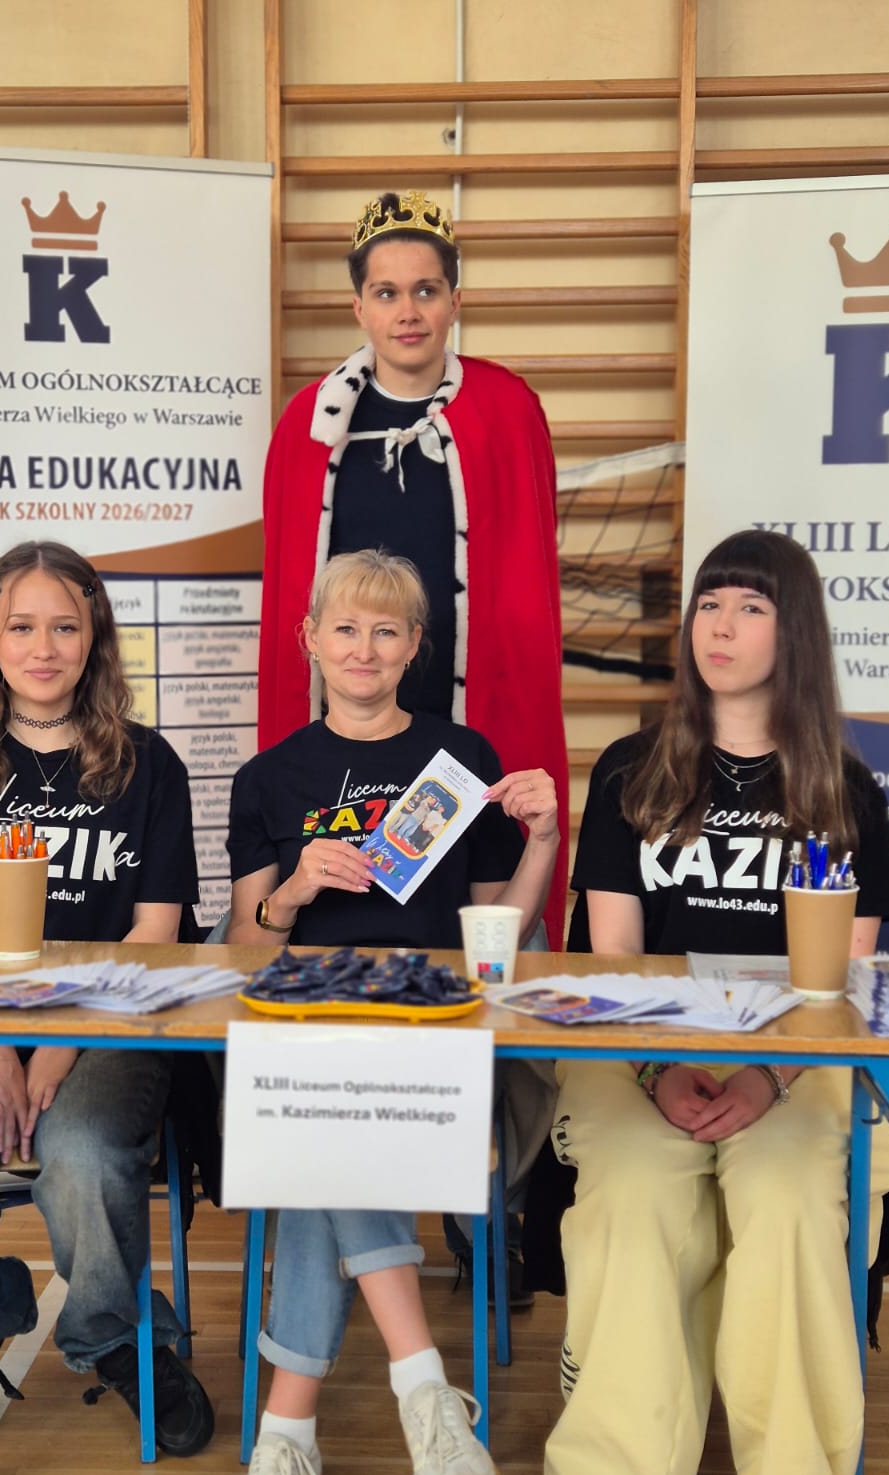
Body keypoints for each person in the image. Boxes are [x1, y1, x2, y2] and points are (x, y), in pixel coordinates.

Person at [540, 530, 889, 1475]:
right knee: (634, 1193)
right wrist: (662, 1069)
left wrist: (766, 1077)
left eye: (750, 607)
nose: (721, 627)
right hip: (642, 1051)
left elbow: (845, 980)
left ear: (795, 634)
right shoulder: (632, 769)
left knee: (788, 1199)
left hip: (795, 1061)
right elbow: (613, 956)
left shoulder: (844, 787)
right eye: (709, 605)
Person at [224, 549, 560, 1475]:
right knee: (322, 1111)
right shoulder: (267, 778)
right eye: (345, 627)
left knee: (317, 1142)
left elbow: (502, 929)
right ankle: (423, 1388)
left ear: (416, 646)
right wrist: (293, 888)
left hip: (436, 1035)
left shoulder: (461, 756)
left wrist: (545, 842)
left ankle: (286, 1435)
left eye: (386, 630)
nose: (363, 649)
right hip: (308, 1031)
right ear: (309, 640)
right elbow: (244, 948)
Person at [0, 540, 214, 1457]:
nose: (43, 648)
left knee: (84, 1146)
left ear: (94, 635)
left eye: (65, 626)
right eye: (22, 626)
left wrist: (56, 1045)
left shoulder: (150, 764)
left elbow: (155, 932)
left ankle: (112, 1336)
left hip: (106, 1026)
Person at [257, 187, 569, 944]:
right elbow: (289, 596)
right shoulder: (309, 425)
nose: (408, 312)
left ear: (455, 301)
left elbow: (528, 586)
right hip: (353, 694)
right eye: (387, 293)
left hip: (473, 701)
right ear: (358, 307)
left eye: (426, 291)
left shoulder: (507, 409)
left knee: (478, 897)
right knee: (346, 891)